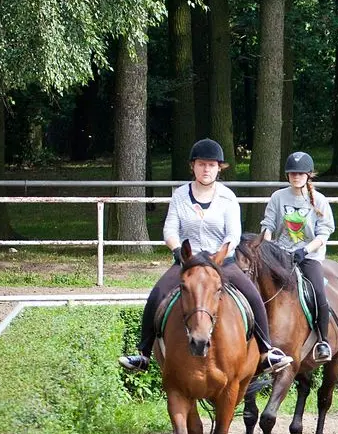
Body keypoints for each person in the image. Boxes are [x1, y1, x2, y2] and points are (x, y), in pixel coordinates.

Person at [119, 139, 294, 373]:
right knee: (158, 293)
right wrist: (177, 250)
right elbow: (170, 229)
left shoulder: (228, 198)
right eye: (202, 164)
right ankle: (143, 353)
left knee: (252, 294)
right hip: (188, 262)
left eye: (211, 165)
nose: (206, 169)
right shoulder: (180, 196)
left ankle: (266, 352)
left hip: (222, 262)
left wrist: (219, 256)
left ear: (219, 168)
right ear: (193, 166)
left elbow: (233, 234)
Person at [261, 151, 338, 363]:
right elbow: (268, 225)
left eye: (301, 173)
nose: (296, 177)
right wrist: (267, 247)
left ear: (308, 175)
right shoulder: (278, 197)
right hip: (279, 255)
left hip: (309, 256)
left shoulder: (319, 201)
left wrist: (305, 250)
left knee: (319, 295)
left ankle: (322, 341)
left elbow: (324, 233)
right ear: (288, 176)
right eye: (292, 173)